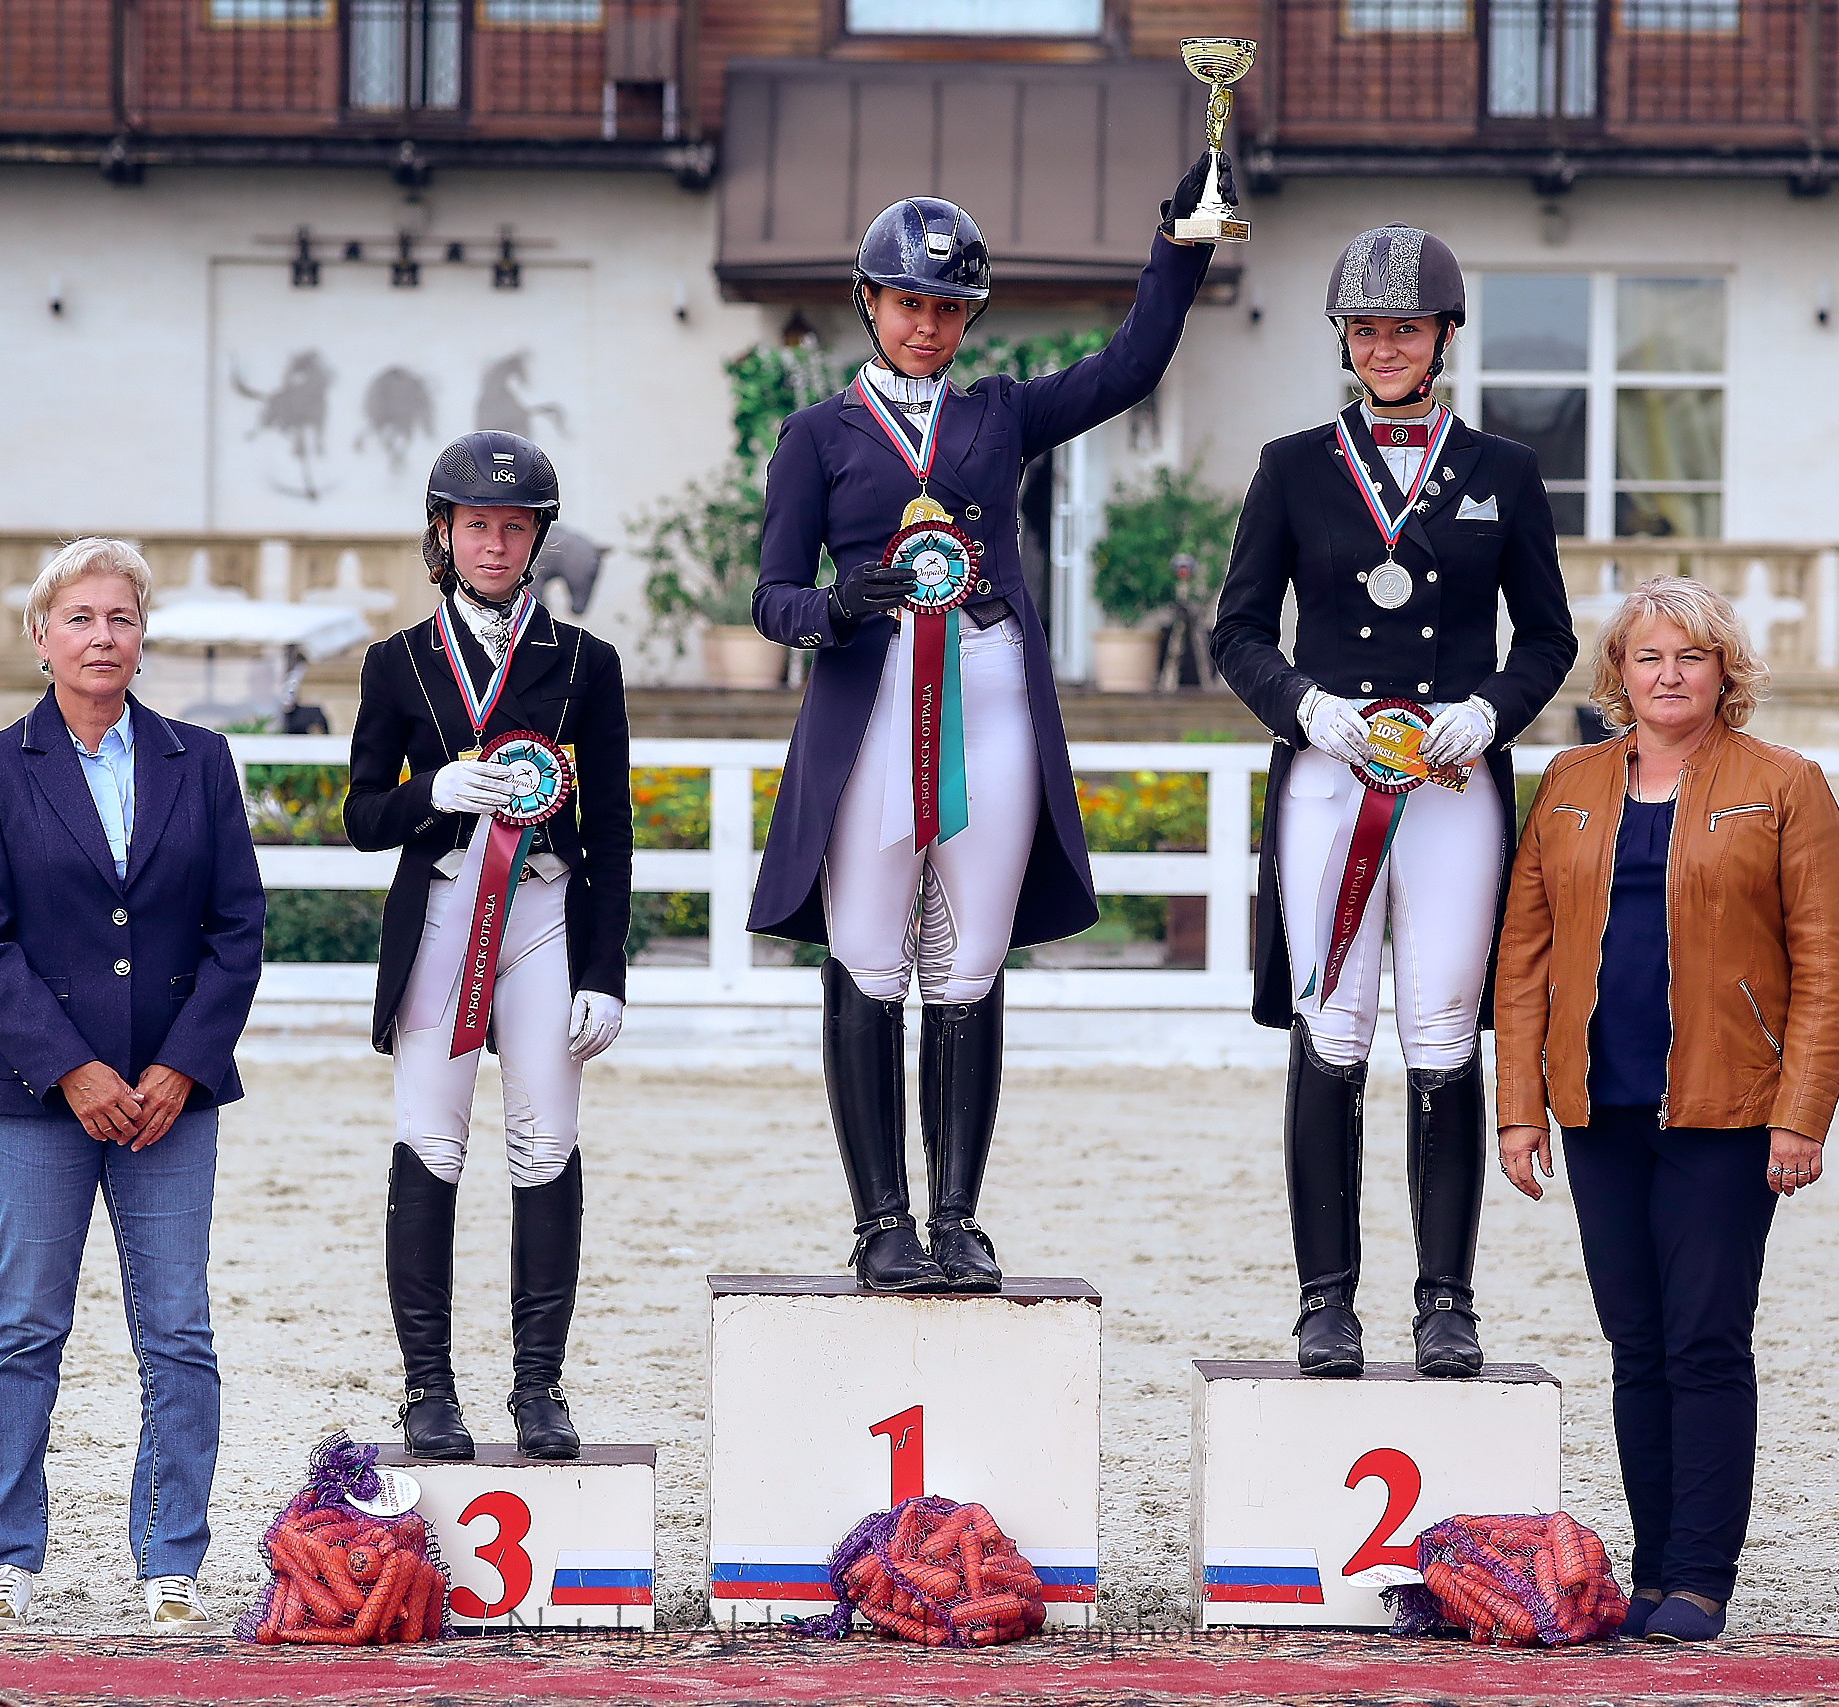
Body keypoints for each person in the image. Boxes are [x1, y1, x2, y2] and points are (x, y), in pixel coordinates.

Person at [749, 159, 1224, 1294]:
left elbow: (1131, 365)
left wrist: (1181, 245)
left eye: (949, 307)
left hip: (988, 692)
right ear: (869, 301)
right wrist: (836, 605)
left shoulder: (1000, 412)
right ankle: (880, 1222)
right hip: (870, 703)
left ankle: (958, 1217)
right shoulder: (816, 435)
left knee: (967, 960)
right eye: (910, 302)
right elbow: (769, 596)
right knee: (868, 952)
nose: (928, 324)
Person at [1209, 223, 1577, 1378]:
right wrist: (1306, 707)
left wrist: (1489, 712)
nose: (1383, 347)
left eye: (1403, 329)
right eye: (1365, 330)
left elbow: (1551, 635)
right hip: (1333, 780)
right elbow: (1234, 630)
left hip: (1452, 781)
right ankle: (1325, 1302)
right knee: (1333, 1026)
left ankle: (1445, 1301)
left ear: (1443, 339)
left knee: (1437, 1028)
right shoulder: (1292, 467)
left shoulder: (1505, 473)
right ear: (1345, 341)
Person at [1494, 575, 1839, 1642]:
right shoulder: (1567, 782)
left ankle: (1698, 1578)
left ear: (1722, 672)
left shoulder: (1786, 784)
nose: (1667, 675)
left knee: (1704, 1343)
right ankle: (1648, 1573)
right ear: (1618, 674)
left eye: (1688, 657)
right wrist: (1520, 1108)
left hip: (1728, 1110)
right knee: (1634, 1344)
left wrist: (1802, 1115)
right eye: (1647, 657)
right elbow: (1523, 958)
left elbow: (1827, 966)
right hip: (1595, 1109)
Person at [0, 537, 265, 1633]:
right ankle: (6, 1557)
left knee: (177, 1329)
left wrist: (179, 1066)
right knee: (25, 1326)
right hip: (34, 1094)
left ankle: (169, 1558)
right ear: (42, 637)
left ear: (142, 635)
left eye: (119, 617)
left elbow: (237, 932)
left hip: (172, 1099)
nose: (101, 636)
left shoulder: (200, 760)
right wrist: (74, 1069)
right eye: (78, 618)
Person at [345, 430, 632, 1462]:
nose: (497, 544)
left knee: (544, 1142)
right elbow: (360, 815)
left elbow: (614, 830)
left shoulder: (584, 665)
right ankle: (429, 1389)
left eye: (516, 528)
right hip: (441, 917)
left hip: (545, 918)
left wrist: (605, 970)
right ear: (444, 533)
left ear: (538, 538)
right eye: (478, 527)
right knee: (431, 1139)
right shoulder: (395, 665)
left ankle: (538, 1387)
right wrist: (433, 793)